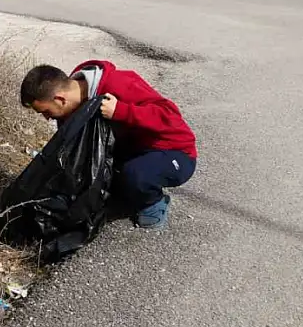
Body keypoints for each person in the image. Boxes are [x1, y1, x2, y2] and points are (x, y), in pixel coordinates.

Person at [19, 61, 196, 231]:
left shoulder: (117, 83)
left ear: (60, 99)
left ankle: (154, 202)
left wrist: (121, 111)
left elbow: (170, 116)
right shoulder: (71, 109)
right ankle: (127, 186)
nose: (47, 118)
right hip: (128, 151)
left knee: (136, 176)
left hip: (172, 151)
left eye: (46, 112)